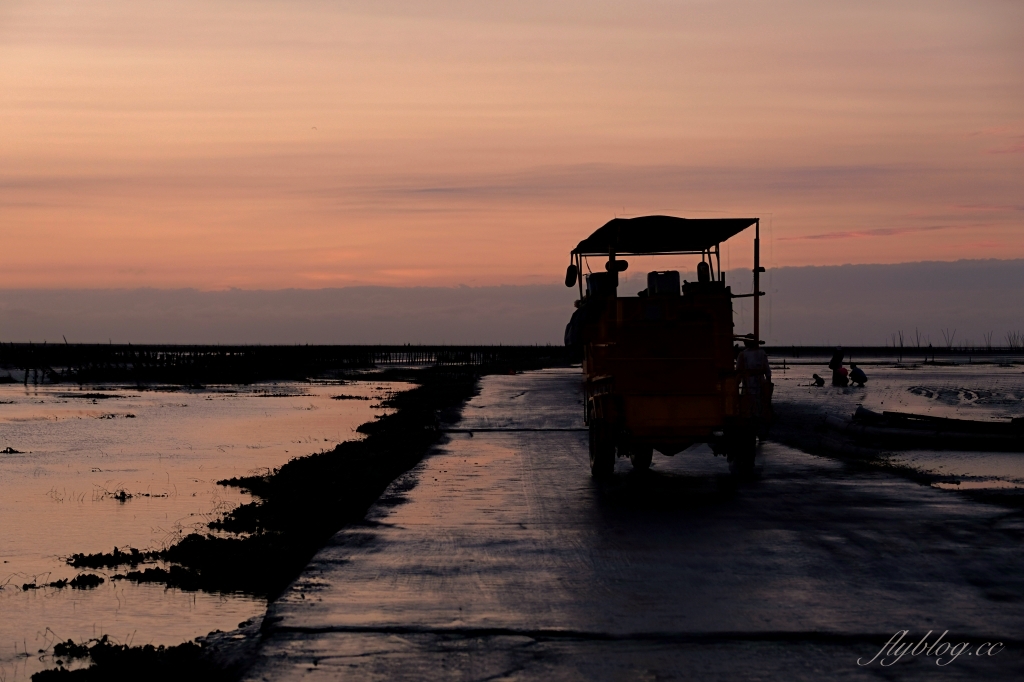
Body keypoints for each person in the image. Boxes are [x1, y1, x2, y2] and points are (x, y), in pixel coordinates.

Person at [736, 338, 772, 426]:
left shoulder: (743, 354)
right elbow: (767, 369)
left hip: (750, 381)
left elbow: (738, 369)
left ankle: (750, 417)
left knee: (749, 400)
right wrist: (768, 380)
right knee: (758, 400)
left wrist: (737, 381)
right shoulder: (761, 353)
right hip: (757, 380)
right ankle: (756, 417)